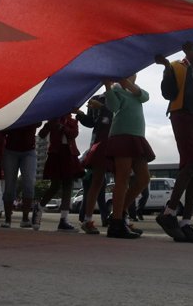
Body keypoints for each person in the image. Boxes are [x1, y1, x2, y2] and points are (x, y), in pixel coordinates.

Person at [154, 40, 193, 243]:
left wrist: (190, 60)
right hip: (182, 114)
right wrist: (166, 69)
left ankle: (186, 222)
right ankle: (169, 212)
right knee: (191, 163)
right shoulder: (176, 66)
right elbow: (168, 93)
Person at [103, 75, 155, 239]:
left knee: (143, 178)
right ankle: (117, 223)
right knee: (122, 177)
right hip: (122, 135)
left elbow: (145, 97)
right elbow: (113, 107)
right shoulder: (116, 89)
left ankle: (119, 213)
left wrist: (129, 85)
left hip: (137, 137)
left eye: (134, 73)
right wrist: (108, 88)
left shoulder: (137, 91)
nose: (132, 75)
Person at [33, 115, 84, 232]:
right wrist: (49, 124)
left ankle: (64, 219)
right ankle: (39, 208)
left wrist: (62, 127)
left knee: (68, 185)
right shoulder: (53, 119)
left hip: (69, 153)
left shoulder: (72, 121)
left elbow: (73, 134)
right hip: (56, 154)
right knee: (54, 186)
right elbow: (41, 134)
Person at [74, 92, 113, 233]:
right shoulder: (95, 99)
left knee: (122, 180)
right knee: (97, 182)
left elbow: (119, 115)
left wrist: (102, 107)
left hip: (118, 138)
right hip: (100, 142)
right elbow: (91, 122)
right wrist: (79, 114)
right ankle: (87, 219)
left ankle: (120, 218)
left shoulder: (123, 95)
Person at [1, 123, 41, 228]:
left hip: (29, 150)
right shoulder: (10, 111)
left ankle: (25, 219)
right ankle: (7, 219)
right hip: (10, 150)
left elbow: (38, 123)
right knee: (9, 186)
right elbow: (1, 130)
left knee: (29, 184)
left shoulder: (34, 109)